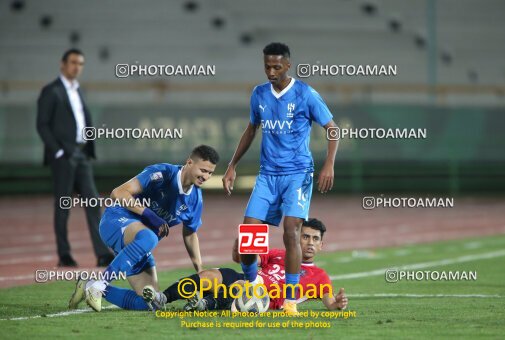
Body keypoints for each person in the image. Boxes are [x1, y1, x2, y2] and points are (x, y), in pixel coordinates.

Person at [221, 42, 339, 315]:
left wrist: (329, 164)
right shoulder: (259, 94)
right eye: (267, 66)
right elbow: (251, 129)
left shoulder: (305, 94)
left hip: (297, 174)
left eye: (276, 66)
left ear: (288, 65)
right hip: (267, 175)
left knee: (291, 231)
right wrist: (232, 165)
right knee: (249, 233)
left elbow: (332, 129)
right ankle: (252, 287)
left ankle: (289, 300)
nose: (271, 71)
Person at [68, 145, 219, 312]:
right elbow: (117, 193)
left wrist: (200, 272)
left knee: (152, 302)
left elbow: (190, 234)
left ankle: (89, 285)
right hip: (116, 221)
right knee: (149, 238)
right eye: (203, 170)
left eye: (210, 173)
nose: (206, 176)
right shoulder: (162, 173)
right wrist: (149, 215)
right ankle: (100, 284)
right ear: (189, 162)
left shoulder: (195, 200)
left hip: (139, 244)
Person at [143, 218, 348, 312]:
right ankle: (163, 298)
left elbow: (329, 303)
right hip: (249, 280)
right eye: (305, 237)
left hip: (262, 298)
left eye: (315, 239)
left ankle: (205, 304)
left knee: (240, 287)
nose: (310, 243)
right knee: (212, 275)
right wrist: (241, 248)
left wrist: (337, 304)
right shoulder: (279, 254)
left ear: (321, 245)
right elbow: (249, 260)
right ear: (296, 238)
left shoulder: (320, 276)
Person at [36, 48, 113, 267]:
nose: (76, 67)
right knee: (63, 206)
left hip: (81, 155)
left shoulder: (79, 90)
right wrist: (58, 151)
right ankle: (64, 254)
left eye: (80, 63)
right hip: (63, 156)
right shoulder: (51, 91)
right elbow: (42, 124)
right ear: (62, 64)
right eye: (73, 62)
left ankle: (102, 253)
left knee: (93, 203)